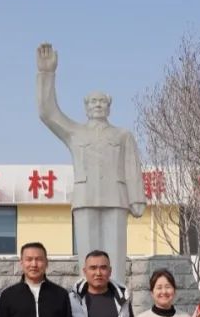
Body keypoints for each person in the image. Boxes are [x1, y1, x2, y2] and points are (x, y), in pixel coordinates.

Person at [36, 43, 146, 284]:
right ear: (86, 107)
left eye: (102, 102)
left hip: (116, 198)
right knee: (87, 256)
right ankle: (86, 294)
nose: (97, 105)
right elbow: (47, 113)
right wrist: (47, 73)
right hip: (85, 197)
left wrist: (137, 198)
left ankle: (117, 293)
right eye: (93, 102)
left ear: (109, 106)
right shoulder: (74, 132)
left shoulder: (122, 135)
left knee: (115, 257)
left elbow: (132, 167)